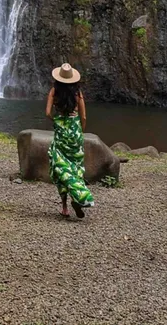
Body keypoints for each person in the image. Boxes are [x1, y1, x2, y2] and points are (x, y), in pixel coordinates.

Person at [45, 61, 95, 219]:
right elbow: (84, 116)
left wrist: (57, 121)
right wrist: (80, 129)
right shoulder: (78, 93)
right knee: (76, 166)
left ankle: (65, 207)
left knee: (60, 166)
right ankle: (79, 197)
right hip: (75, 131)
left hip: (61, 131)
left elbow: (47, 113)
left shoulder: (54, 91)